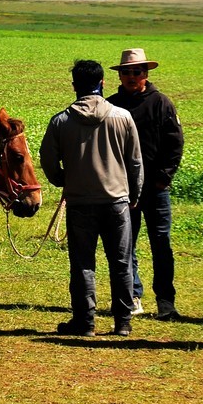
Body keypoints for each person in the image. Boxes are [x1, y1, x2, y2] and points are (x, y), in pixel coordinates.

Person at [41, 59, 143, 337]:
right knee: (121, 263)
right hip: (116, 201)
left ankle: (85, 322)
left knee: (83, 264)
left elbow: (48, 160)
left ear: (74, 85)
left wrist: (63, 180)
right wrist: (134, 193)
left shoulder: (61, 121)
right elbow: (135, 162)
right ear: (103, 83)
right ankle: (122, 321)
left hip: (80, 202)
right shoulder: (123, 117)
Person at [106, 47, 184, 321]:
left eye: (136, 71)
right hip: (123, 188)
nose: (131, 76)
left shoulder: (162, 103)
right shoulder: (111, 105)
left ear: (146, 73)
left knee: (161, 243)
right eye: (126, 71)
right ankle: (133, 296)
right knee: (125, 245)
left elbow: (175, 144)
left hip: (156, 188)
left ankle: (165, 300)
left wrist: (164, 178)